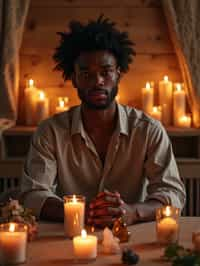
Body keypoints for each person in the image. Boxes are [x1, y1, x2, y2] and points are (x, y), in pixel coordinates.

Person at [20, 16, 186, 227]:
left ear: (118, 74)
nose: (97, 81)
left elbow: (172, 193)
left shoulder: (148, 130)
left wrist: (133, 212)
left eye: (105, 72)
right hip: (69, 237)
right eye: (86, 73)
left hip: (132, 237)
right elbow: (32, 195)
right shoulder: (50, 131)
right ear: (74, 78)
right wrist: (80, 212)